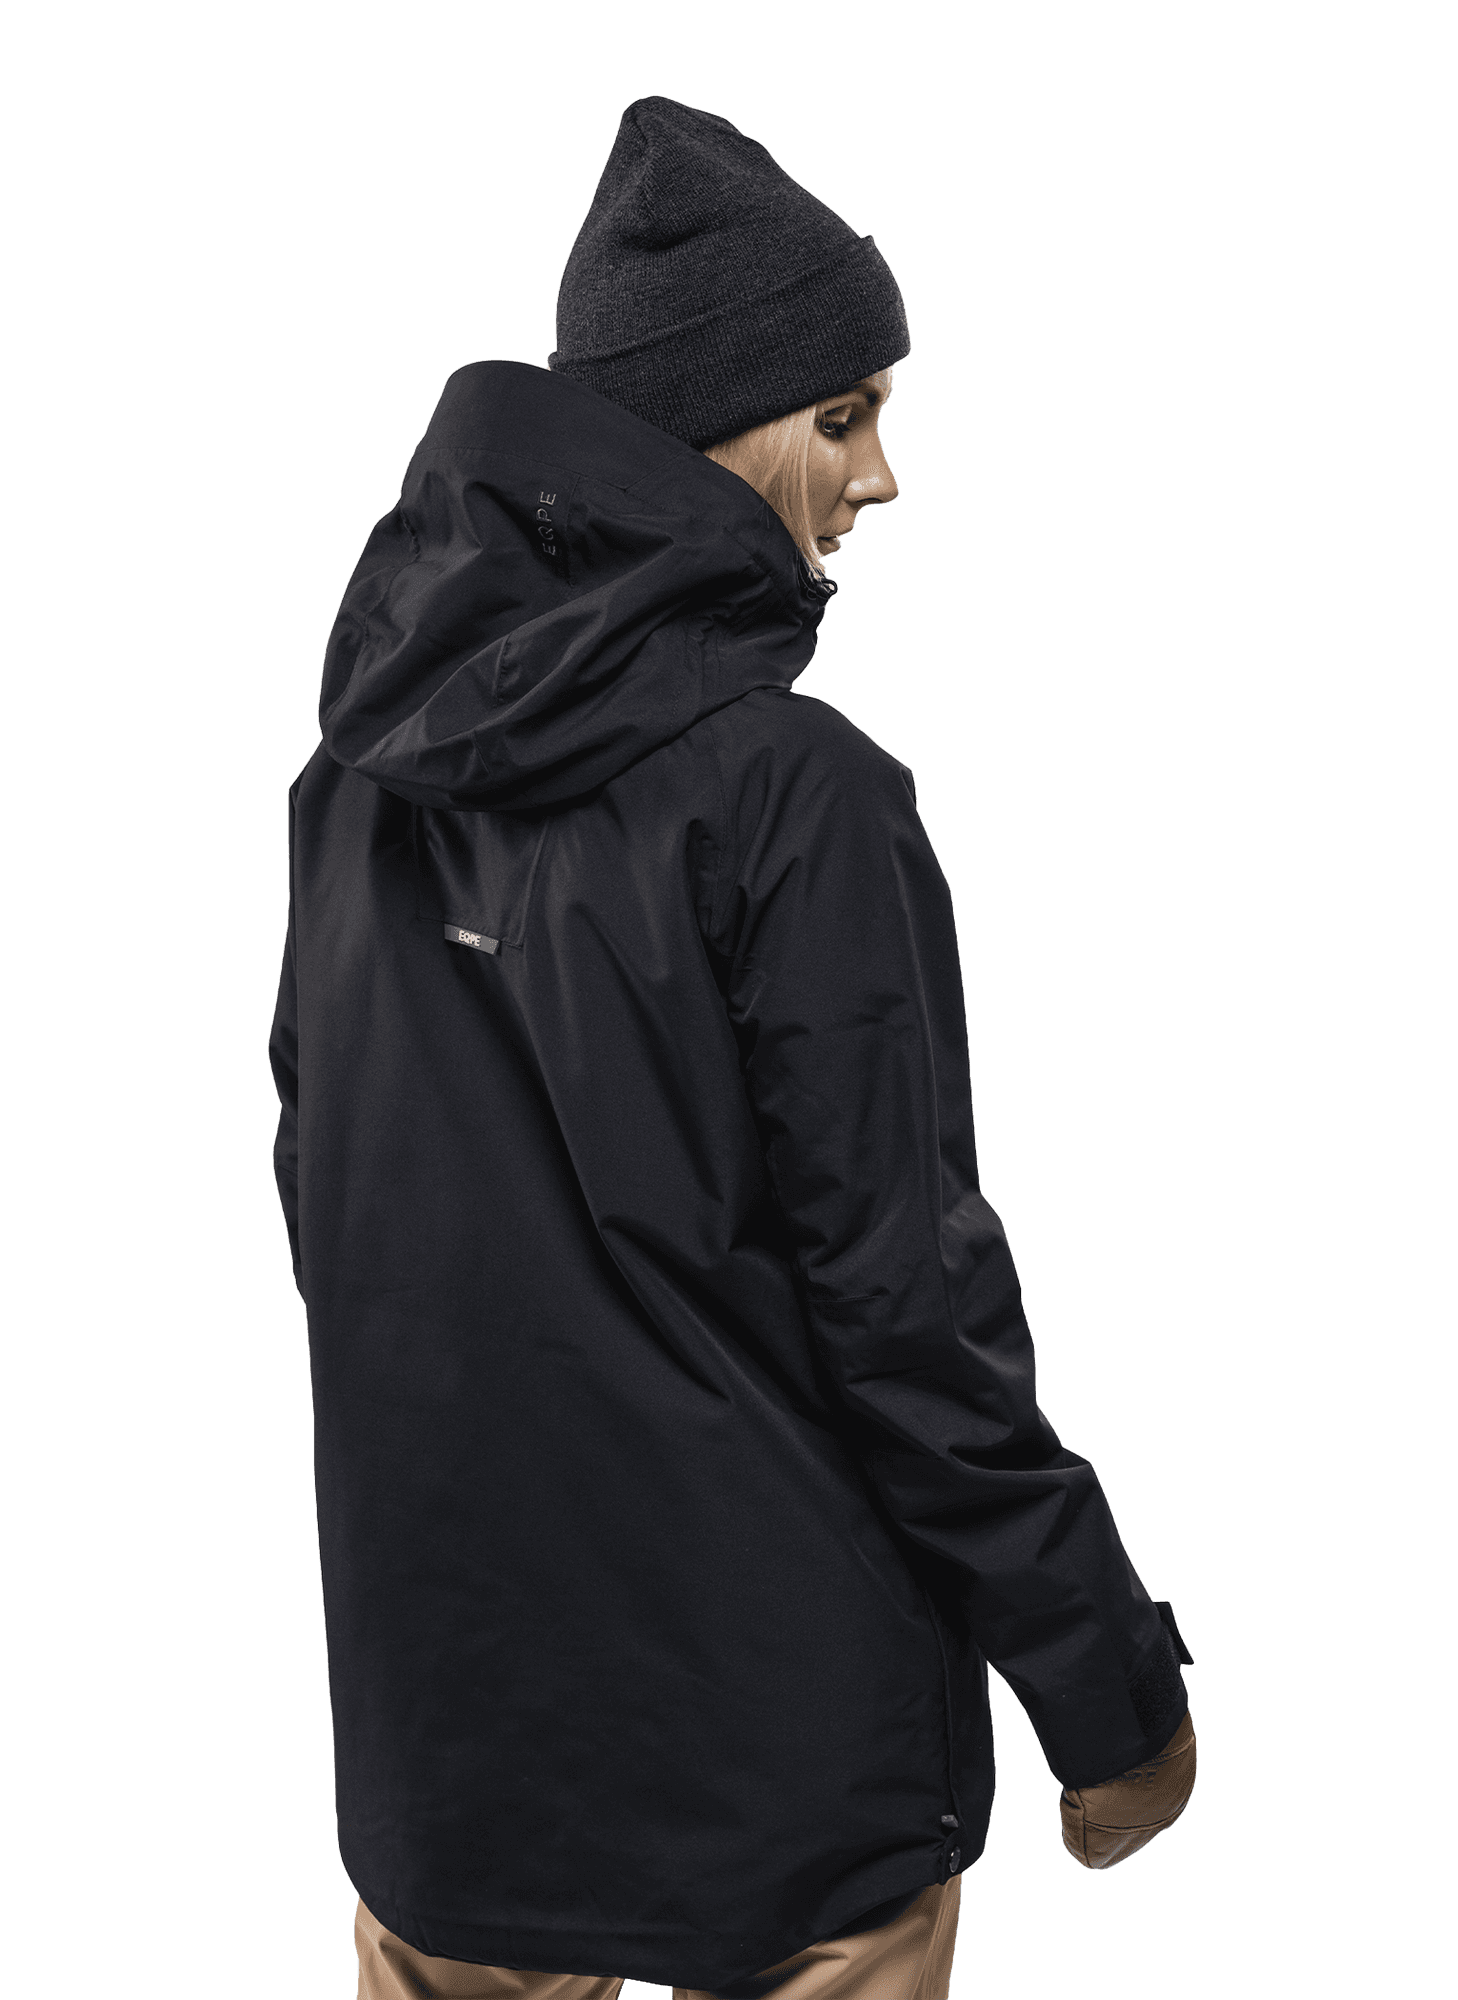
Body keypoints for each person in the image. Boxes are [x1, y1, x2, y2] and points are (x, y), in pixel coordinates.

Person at [268, 96, 1196, 2000]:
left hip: (450, 1756)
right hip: (789, 1776)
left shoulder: (356, 784)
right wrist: (1112, 1690)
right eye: (844, 417)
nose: (882, 477)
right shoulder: (799, 799)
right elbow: (909, 1307)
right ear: (719, 428)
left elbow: (334, 1198)